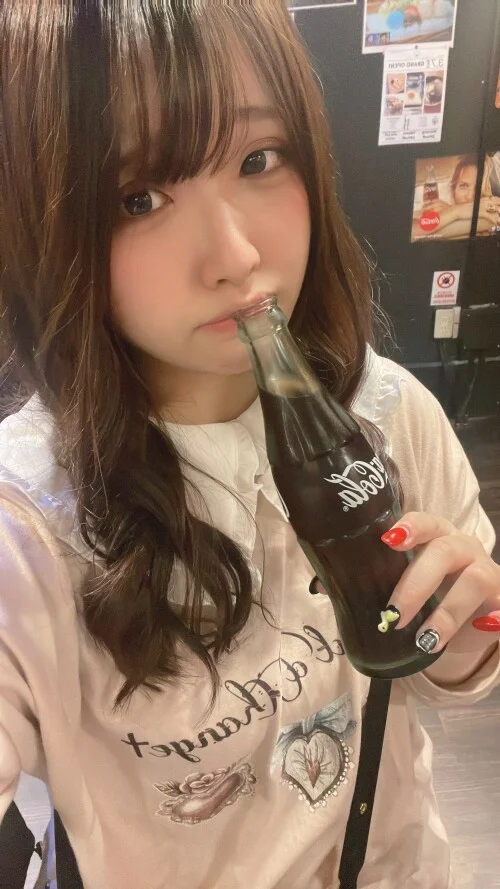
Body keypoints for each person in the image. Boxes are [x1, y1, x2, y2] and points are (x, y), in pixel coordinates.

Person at [0, 3, 499, 888]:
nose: (235, 256)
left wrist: (464, 637)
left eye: (259, 158)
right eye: (139, 198)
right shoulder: (28, 524)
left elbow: (450, 666)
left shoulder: (388, 411)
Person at [412, 154, 500, 240]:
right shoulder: (442, 208)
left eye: (479, 187)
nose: (470, 196)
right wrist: (454, 211)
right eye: (463, 186)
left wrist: (452, 212)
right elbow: (410, 232)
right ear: (453, 190)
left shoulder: (493, 211)